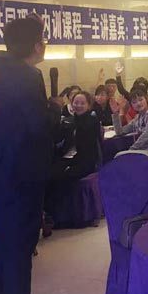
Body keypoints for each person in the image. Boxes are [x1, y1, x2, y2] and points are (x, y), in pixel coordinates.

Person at [0, 16, 61, 294]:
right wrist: (55, 110)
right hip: (24, 172)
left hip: (0, 169)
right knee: (20, 243)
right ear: (35, 45)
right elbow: (38, 127)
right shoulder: (29, 76)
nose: (44, 44)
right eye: (43, 39)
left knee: (3, 240)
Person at [45, 91, 101, 227]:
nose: (79, 106)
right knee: (48, 174)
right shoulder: (69, 121)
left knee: (62, 176)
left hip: (85, 160)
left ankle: (66, 218)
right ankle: (50, 215)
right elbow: (60, 140)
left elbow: (85, 148)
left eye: (82, 103)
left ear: (89, 105)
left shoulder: (91, 121)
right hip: (70, 158)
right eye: (76, 103)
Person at [110, 87, 148, 163]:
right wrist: (115, 113)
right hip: (144, 151)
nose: (138, 103)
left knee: (121, 157)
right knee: (118, 155)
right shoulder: (138, 117)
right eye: (134, 102)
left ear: (146, 100)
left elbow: (146, 135)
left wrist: (130, 150)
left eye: (141, 100)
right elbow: (120, 132)